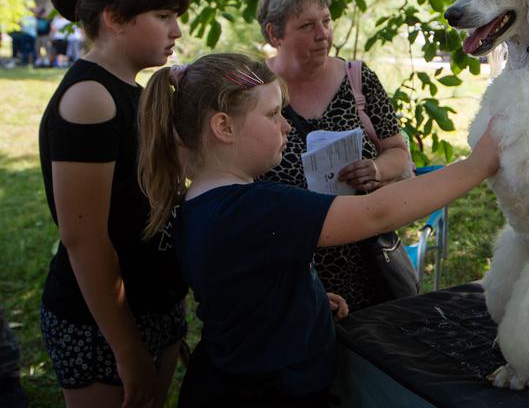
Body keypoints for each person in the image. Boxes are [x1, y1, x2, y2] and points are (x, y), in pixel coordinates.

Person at [137, 52, 500, 408]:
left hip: (233, 375)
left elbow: (242, 284)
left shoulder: (197, 202)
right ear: (224, 127)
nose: (287, 125)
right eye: (273, 113)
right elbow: (376, 213)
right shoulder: (257, 207)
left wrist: (299, 299)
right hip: (266, 394)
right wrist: (478, 165)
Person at [38, 0, 190, 408]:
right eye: (163, 16)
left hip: (150, 307)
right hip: (102, 322)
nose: (176, 31)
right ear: (115, 18)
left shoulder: (131, 93)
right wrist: (127, 348)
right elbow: (84, 239)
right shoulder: (91, 98)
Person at [256, 0, 412, 310]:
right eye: (307, 26)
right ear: (274, 33)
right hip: (285, 262)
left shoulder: (358, 79)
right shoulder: (253, 88)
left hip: (364, 257)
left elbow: (398, 152)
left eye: (326, 21)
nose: (323, 34)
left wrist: (375, 168)